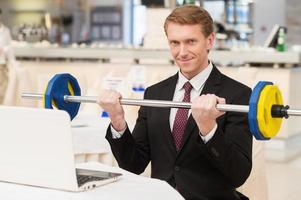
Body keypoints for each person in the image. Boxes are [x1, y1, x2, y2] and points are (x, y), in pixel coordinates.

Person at [98, 5, 252, 200]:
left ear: (209, 40)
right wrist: (117, 120)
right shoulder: (154, 93)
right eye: (174, 43)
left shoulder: (237, 95)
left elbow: (239, 174)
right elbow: (133, 165)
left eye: (191, 42)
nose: (182, 52)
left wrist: (208, 128)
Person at [0, 9, 12, 104]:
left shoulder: (5, 30)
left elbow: (9, 46)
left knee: (3, 87)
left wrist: (3, 49)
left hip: (2, 63)